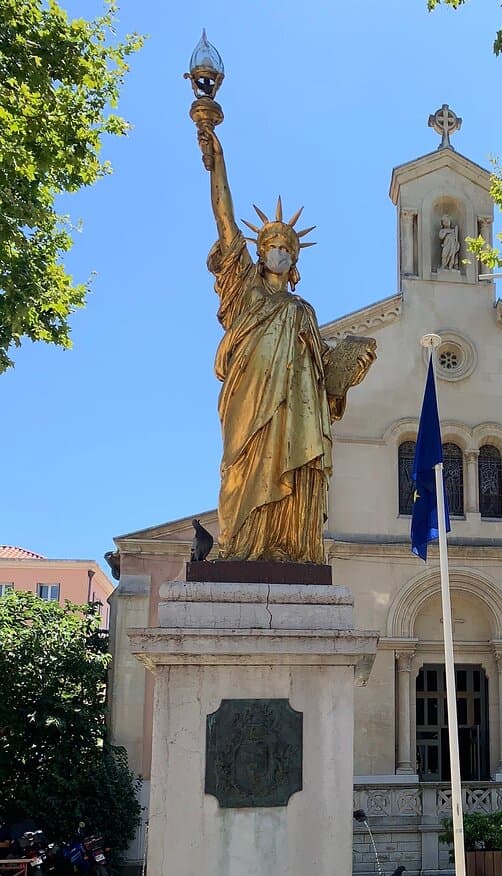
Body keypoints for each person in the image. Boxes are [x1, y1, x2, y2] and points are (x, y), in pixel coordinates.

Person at [196, 125, 375, 563]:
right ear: (257, 251)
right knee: (242, 467)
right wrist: (216, 158)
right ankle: (239, 545)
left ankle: (286, 547)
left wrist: (349, 367)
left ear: (295, 258)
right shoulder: (243, 289)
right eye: (270, 244)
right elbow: (224, 218)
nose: (278, 251)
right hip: (249, 399)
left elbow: (322, 373)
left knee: (294, 470)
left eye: (286, 247)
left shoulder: (304, 310)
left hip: (295, 411)